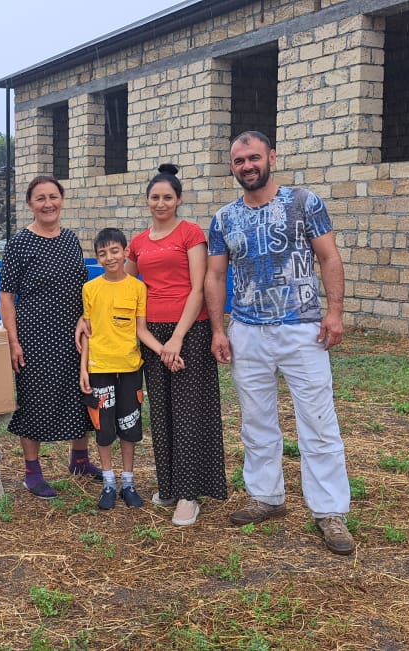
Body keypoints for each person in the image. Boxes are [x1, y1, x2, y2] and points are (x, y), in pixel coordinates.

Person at [205, 130, 354, 555]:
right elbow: (215, 276)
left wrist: (335, 312)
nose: (247, 166)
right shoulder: (224, 218)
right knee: (256, 421)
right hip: (248, 332)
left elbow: (329, 257)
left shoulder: (305, 203)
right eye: (239, 161)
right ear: (232, 167)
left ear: (271, 156)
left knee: (318, 422)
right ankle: (266, 498)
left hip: (302, 329)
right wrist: (219, 329)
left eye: (253, 157)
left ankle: (328, 511)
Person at [128, 164, 228, 526]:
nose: (160, 203)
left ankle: (189, 493)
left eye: (167, 197)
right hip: (153, 338)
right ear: (147, 200)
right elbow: (124, 289)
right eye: (155, 197)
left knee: (189, 413)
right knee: (164, 413)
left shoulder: (191, 233)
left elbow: (199, 288)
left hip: (190, 331)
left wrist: (178, 338)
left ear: (179, 199)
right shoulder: (138, 242)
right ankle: (168, 484)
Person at [0, 175, 101, 499]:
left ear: (62, 200)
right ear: (30, 204)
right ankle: (32, 471)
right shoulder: (19, 244)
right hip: (34, 336)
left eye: (53, 197)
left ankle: (80, 460)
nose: (48, 204)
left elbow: (85, 288)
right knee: (34, 400)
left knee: (79, 394)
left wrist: (85, 319)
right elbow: (6, 297)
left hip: (73, 335)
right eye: (40, 198)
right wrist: (13, 341)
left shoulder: (71, 239)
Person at [79, 227, 167, 510]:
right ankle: (108, 482)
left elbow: (141, 330)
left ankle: (128, 483)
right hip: (99, 368)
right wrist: (84, 369)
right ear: (96, 257)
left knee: (129, 427)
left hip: (130, 369)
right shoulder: (90, 289)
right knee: (104, 429)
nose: (109, 257)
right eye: (102, 253)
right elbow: (87, 333)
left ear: (126, 252)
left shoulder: (137, 287)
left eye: (114, 251)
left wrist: (163, 350)